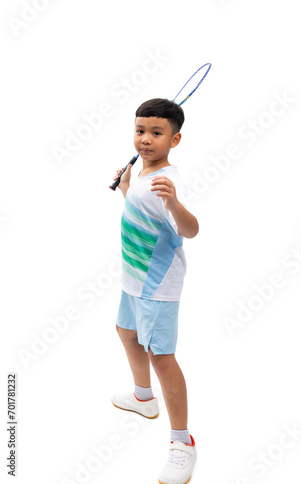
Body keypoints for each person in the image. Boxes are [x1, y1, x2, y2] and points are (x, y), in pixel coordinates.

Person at [111, 98, 199, 484]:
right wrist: (126, 188)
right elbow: (140, 210)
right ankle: (144, 398)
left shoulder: (167, 180)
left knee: (162, 358)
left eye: (156, 133)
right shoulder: (142, 177)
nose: (145, 139)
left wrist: (174, 202)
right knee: (126, 333)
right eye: (140, 131)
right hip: (133, 279)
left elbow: (191, 229)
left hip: (158, 286)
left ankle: (183, 443)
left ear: (175, 139)